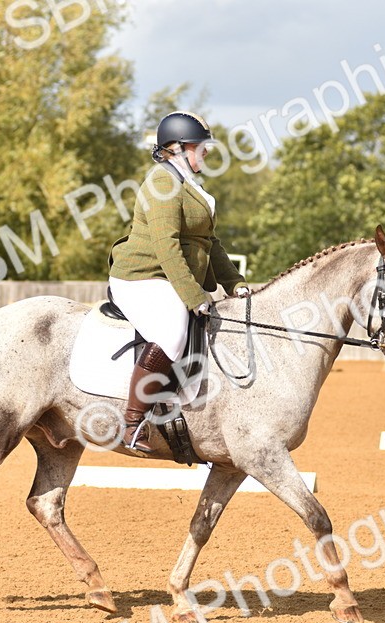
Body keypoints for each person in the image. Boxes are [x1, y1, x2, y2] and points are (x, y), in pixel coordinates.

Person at [106, 111, 250, 453]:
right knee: (171, 333)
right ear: (177, 148)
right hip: (142, 277)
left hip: (170, 278)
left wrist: (234, 283)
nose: (207, 153)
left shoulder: (191, 186)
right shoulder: (161, 182)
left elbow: (210, 243)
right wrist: (193, 294)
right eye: (201, 147)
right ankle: (131, 422)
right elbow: (166, 245)